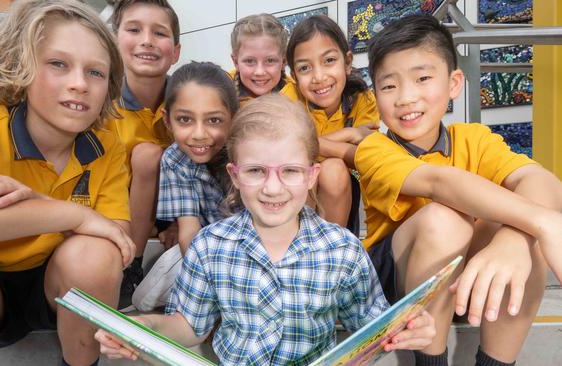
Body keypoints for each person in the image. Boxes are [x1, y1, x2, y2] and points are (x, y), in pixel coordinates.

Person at [95, 95, 437, 364]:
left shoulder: (343, 250)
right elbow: (188, 326)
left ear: (311, 176)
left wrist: (410, 328)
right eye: (256, 171)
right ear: (235, 175)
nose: (273, 188)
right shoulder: (210, 245)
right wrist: (145, 326)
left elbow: (370, 326)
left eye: (289, 171)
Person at [0, 0, 136, 365]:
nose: (79, 84)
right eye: (58, 64)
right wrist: (64, 215)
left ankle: (81, 361)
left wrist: (36, 206)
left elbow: (118, 240)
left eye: (95, 72)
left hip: (56, 286)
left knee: (97, 253)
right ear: (23, 68)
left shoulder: (107, 144)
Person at [357, 14, 562, 366]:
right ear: (375, 94)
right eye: (389, 86)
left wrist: (515, 238)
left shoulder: (473, 138)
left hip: (468, 282)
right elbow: (439, 182)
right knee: (446, 217)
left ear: (454, 84)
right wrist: (543, 224)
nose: (406, 97)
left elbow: (542, 180)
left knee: (520, 230)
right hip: (398, 286)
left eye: (422, 78)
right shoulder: (373, 148)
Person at [130, 61, 238, 311]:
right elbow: (189, 233)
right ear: (168, 121)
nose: (199, 134)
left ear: (233, 119)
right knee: (144, 299)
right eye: (185, 120)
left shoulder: (250, 152)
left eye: (213, 120)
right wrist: (211, 285)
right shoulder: (175, 159)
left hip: (262, 248)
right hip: (210, 253)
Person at [105, 0, 182, 309]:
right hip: (116, 211)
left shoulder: (189, 100)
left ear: (176, 51)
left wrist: (174, 221)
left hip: (174, 211)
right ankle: (131, 267)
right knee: (147, 154)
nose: (147, 40)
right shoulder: (101, 104)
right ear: (114, 41)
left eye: (159, 33)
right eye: (134, 30)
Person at [286, 15, 379, 234]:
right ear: (294, 76)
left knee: (334, 168)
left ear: (347, 62)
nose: (319, 76)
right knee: (303, 170)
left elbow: (364, 156)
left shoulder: (361, 98)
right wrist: (349, 133)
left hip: (342, 190)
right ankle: (295, 247)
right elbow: (287, 152)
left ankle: (334, 253)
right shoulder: (288, 99)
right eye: (304, 68)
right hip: (292, 187)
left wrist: (309, 145)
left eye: (329, 60)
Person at [228, 13, 298, 107]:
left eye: (270, 61)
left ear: (284, 61)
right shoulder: (221, 96)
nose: (259, 72)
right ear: (236, 62)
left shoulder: (299, 99)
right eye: (250, 61)